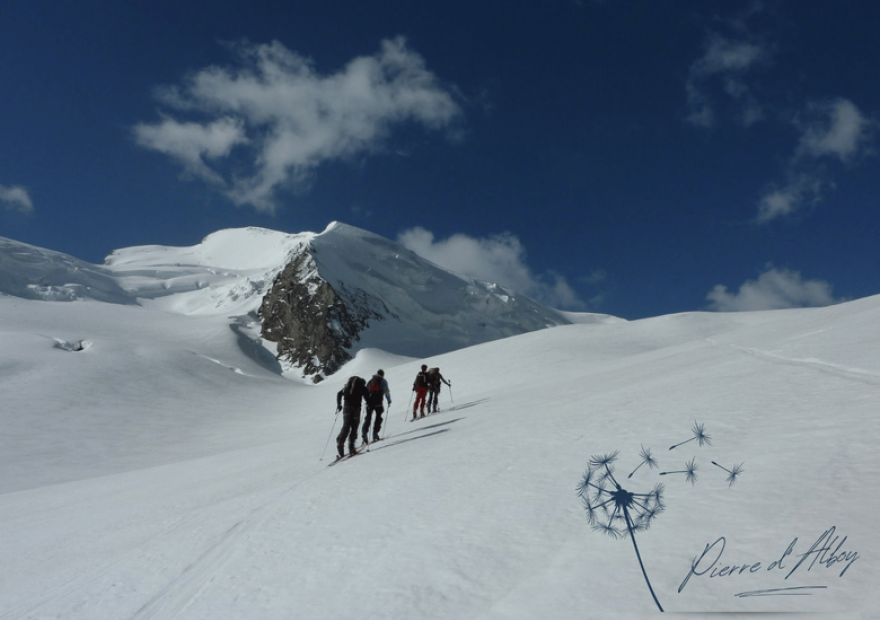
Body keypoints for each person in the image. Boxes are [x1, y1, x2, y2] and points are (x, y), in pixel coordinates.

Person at [335, 376, 369, 459]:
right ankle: (351, 448)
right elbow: (367, 398)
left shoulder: (347, 387)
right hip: (356, 408)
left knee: (346, 426)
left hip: (346, 407)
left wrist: (339, 405)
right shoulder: (363, 387)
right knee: (354, 427)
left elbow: (339, 394)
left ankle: (340, 441)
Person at [362, 369, 392, 443]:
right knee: (378, 418)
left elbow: (365, 391)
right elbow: (386, 391)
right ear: (383, 374)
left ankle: (364, 433)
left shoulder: (370, 381)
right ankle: (375, 434)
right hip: (378, 402)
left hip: (369, 403)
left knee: (368, 418)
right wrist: (388, 400)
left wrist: (367, 401)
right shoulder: (383, 381)